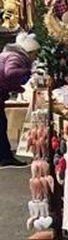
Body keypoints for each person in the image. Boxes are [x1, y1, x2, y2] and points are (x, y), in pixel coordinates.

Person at [0, 31, 39, 167]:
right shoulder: (15, 57)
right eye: (34, 54)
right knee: (1, 124)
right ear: (29, 51)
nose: (35, 58)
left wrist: (18, 88)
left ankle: (4, 154)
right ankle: (4, 157)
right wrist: (29, 72)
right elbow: (9, 73)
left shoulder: (9, 54)